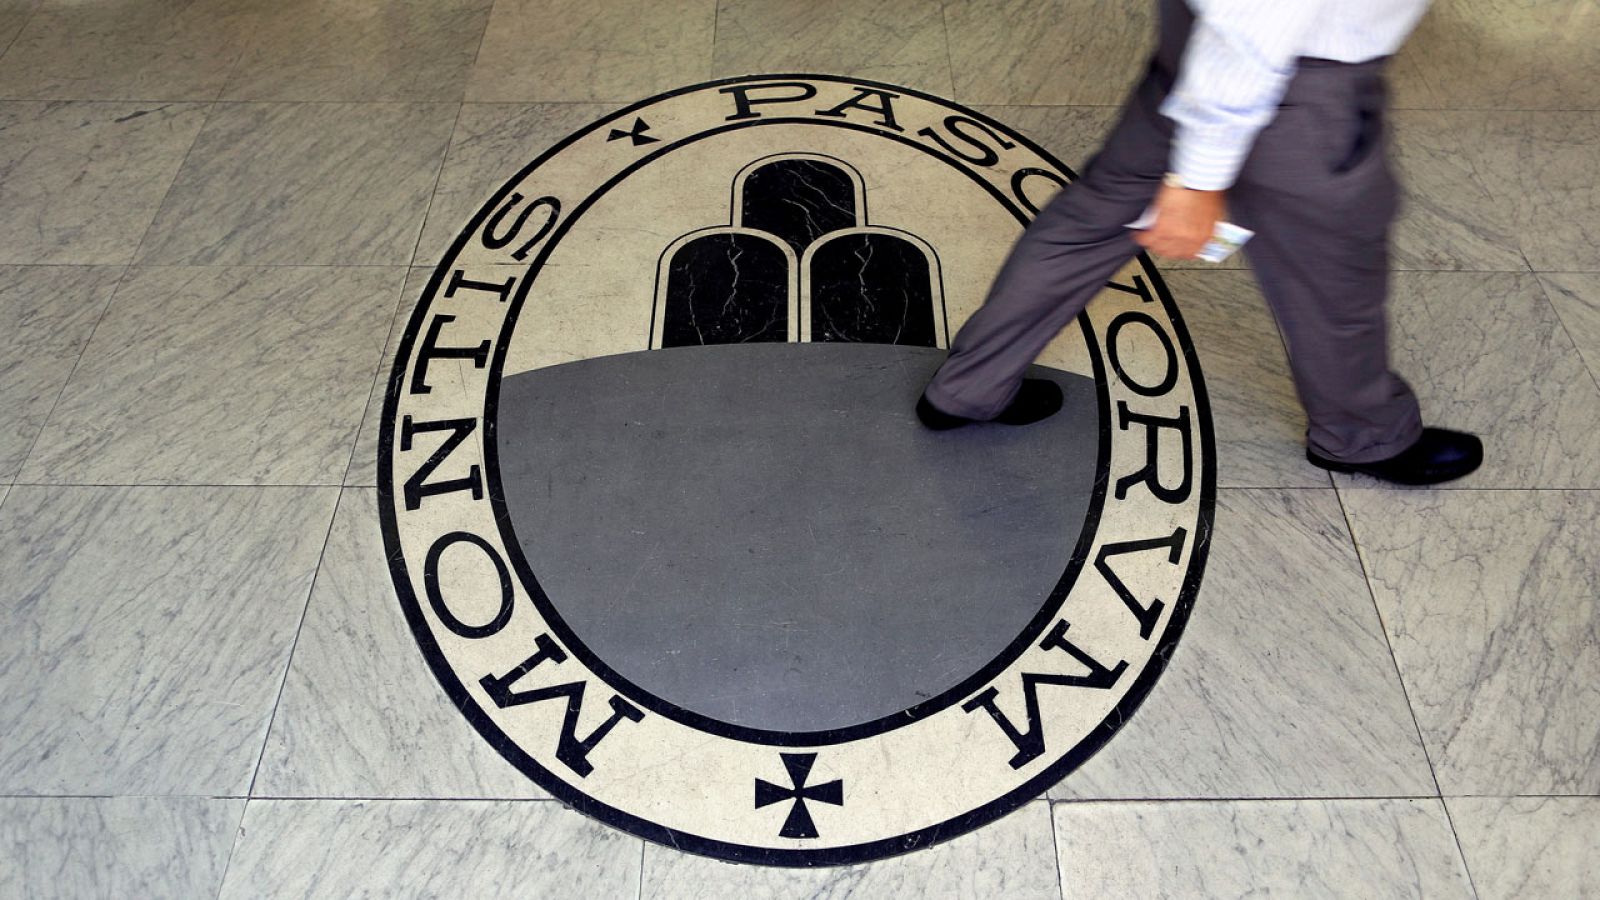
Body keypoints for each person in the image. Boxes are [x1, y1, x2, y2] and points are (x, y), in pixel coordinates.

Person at [916, 0, 1483, 486]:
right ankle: (1363, 435)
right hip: (1289, 72)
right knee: (1334, 285)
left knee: (1087, 224)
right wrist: (1198, 178)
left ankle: (969, 385)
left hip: (1198, 35)